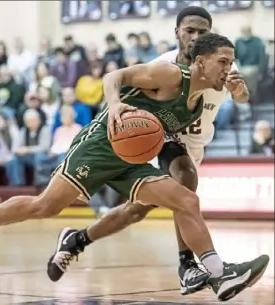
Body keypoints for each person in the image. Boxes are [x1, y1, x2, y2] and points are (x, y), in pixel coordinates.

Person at [0, 33, 269, 303]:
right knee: (45, 206)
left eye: (231, 62)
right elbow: (115, 75)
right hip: (102, 145)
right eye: (223, 62)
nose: (229, 68)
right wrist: (114, 104)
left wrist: (240, 94)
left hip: (133, 158)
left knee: (186, 200)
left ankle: (217, 274)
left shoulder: (195, 105)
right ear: (199, 62)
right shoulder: (169, 75)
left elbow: (204, 116)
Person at [51, 6, 252, 296]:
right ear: (177, 33)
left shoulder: (221, 66)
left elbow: (243, 97)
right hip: (162, 137)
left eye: (202, 32)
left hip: (196, 143)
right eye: (189, 31)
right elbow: (119, 83)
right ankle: (188, 267)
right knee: (186, 181)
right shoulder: (164, 65)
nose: (195, 37)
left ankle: (77, 239)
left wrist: (239, 93)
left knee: (137, 210)